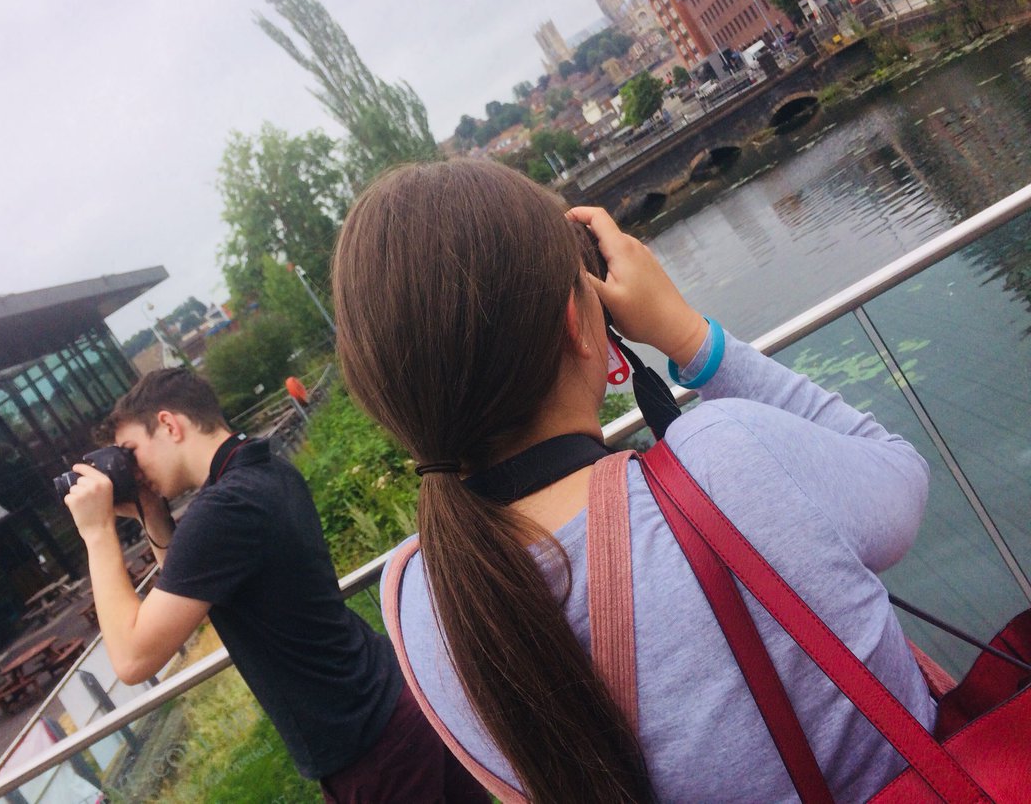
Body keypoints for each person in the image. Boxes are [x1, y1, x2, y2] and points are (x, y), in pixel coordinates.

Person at [331, 159, 933, 802]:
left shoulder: (416, 600)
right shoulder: (722, 462)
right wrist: (688, 333)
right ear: (575, 320)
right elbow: (900, 476)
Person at [61, 368, 488, 802]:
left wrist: (97, 532)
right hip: (392, 704)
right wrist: (152, 512)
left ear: (169, 424)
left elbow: (133, 659)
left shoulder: (223, 510)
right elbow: (186, 589)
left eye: (131, 452)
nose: (133, 472)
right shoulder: (262, 467)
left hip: (372, 743)